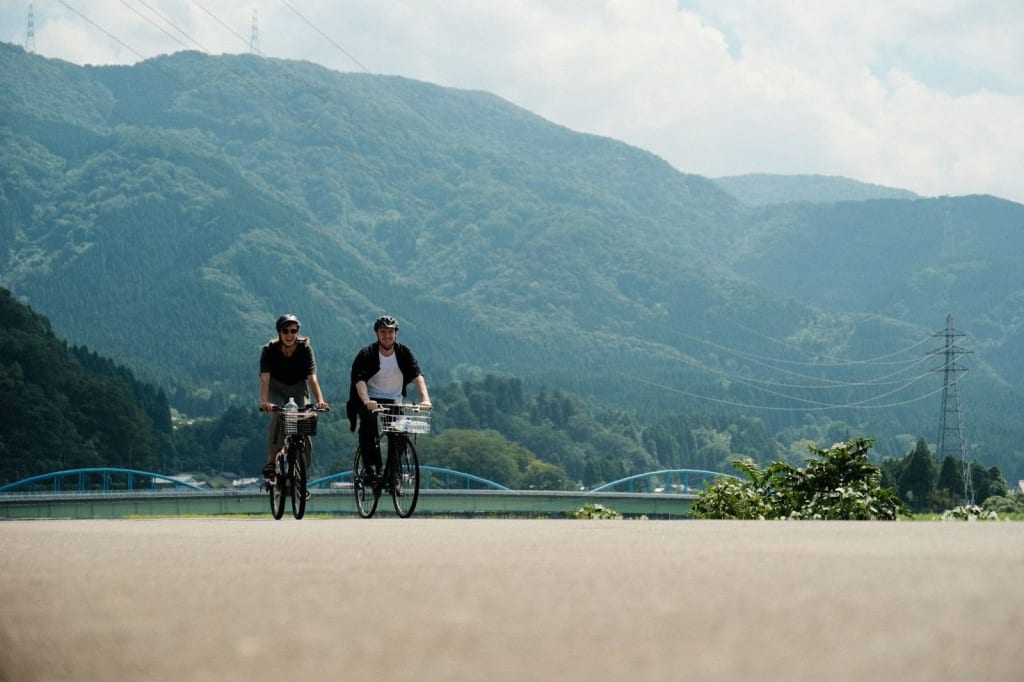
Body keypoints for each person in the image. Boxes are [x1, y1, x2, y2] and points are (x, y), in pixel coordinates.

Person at [347, 314, 431, 482]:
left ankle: (394, 472)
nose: (387, 335)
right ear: (377, 334)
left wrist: (425, 399)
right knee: (369, 428)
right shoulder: (367, 354)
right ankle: (372, 469)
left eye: (390, 332)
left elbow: (417, 375)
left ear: (396, 333)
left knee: (399, 434)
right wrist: (365, 401)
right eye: (383, 332)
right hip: (370, 399)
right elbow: (359, 380)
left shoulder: (403, 352)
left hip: (393, 399)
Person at [259, 314, 329, 481]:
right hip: (275, 387)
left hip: (297, 387)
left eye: (293, 331)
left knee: (304, 420)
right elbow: (265, 378)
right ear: (279, 333)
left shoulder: (305, 349)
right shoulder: (269, 350)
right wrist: (264, 402)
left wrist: (320, 401)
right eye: (285, 331)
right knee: (279, 415)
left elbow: (312, 379)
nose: (290, 335)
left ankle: (301, 475)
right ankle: (271, 462)